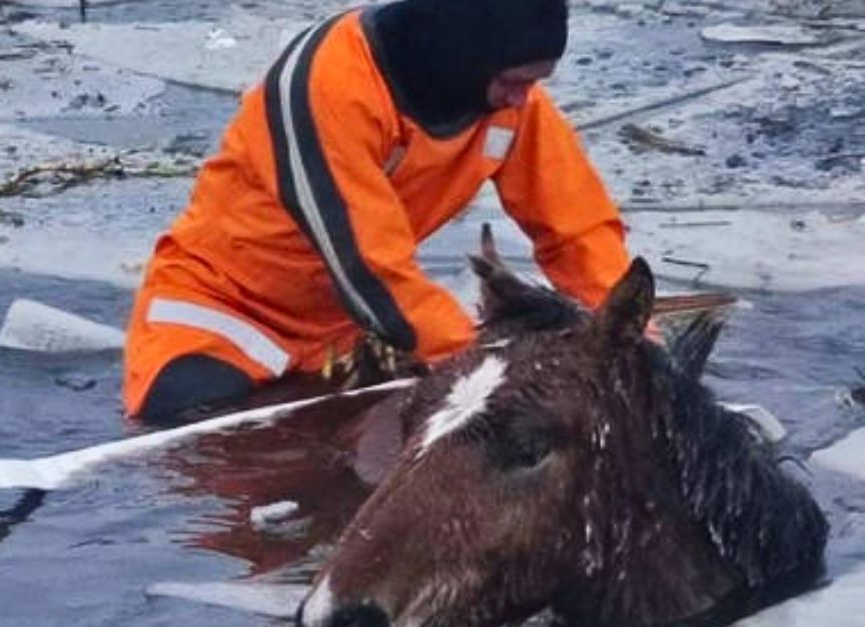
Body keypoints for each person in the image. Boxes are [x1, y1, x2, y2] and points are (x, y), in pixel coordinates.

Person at [123, 0, 632, 424]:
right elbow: (367, 266)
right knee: (197, 442)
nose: (524, 96)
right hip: (226, 315)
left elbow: (578, 228)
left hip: (355, 332)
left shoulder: (512, 106)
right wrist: (476, 367)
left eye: (534, 81)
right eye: (513, 81)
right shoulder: (329, 83)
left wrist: (632, 336)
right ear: (462, 53)